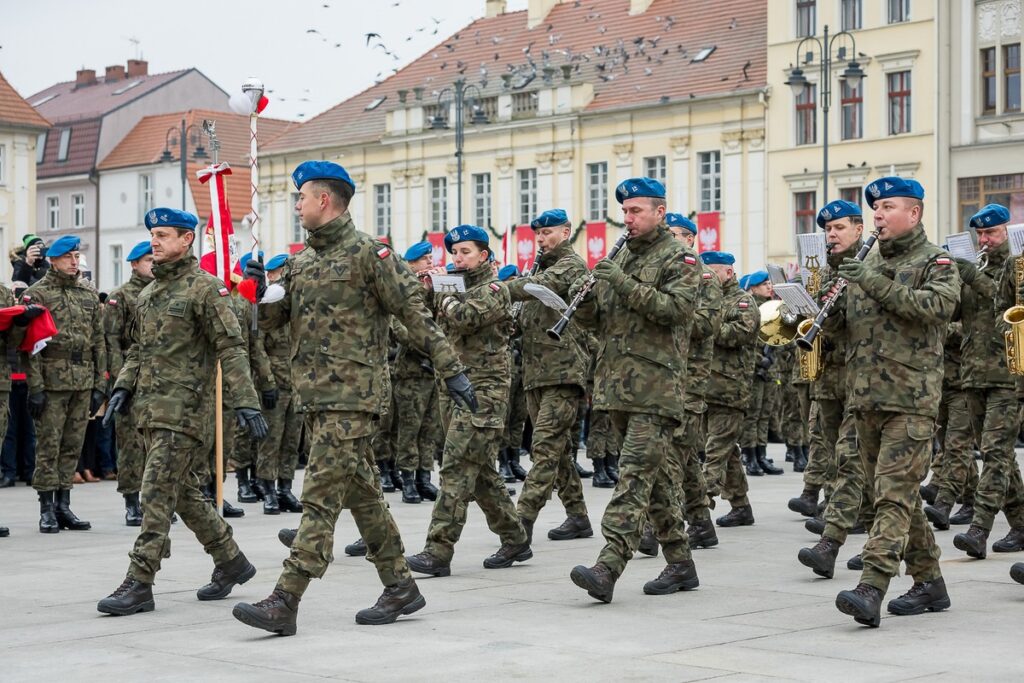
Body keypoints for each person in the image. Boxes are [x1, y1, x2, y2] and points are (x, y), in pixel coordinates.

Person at [234, 161, 475, 635]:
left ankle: (285, 598)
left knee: (319, 498)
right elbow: (274, 323)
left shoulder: (371, 255)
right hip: (315, 397)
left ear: (324, 200)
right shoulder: (301, 262)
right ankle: (400, 586)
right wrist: (257, 293)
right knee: (364, 498)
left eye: (302, 197)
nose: (297, 206)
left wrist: (452, 370)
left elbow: (415, 316)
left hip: (353, 398)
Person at [95, 208, 268, 616]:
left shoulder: (206, 289)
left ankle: (140, 581)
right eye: (152, 235)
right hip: (149, 410)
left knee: (155, 491)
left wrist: (246, 400)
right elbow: (138, 350)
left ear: (187, 239)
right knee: (185, 494)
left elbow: (232, 347)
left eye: (163, 235)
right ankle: (230, 560)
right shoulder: (149, 294)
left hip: (185, 413)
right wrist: (122, 387)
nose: (154, 242)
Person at [568, 177, 701, 603]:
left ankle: (608, 566)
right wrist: (582, 302)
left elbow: (676, 310)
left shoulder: (680, 257)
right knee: (655, 480)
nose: (627, 219)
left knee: (633, 477)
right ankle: (680, 563)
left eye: (636, 211)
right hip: (617, 387)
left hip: (656, 389)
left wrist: (621, 282)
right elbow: (603, 320)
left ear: (660, 212)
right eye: (624, 212)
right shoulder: (622, 254)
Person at [832, 177, 957, 627]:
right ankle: (930, 583)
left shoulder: (936, 261)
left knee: (892, 495)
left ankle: (872, 586)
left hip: (910, 399)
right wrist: (817, 314)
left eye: (887, 207)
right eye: (876, 209)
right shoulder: (863, 263)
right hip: (865, 399)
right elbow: (848, 328)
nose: (878, 216)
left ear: (914, 213)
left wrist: (871, 281)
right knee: (897, 497)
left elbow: (936, 308)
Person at [404, 225, 533, 576]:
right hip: (453, 389)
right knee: (481, 475)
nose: (457, 258)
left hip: (484, 392)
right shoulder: (453, 285)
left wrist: (441, 291)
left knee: (456, 467)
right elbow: (418, 316)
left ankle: (438, 550)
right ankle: (515, 537)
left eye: (465, 252)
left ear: (483, 256)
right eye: (454, 253)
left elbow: (465, 318)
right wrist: (425, 287)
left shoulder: (494, 289)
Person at [796, 200, 875, 578]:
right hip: (833, 375)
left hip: (867, 378)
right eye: (828, 229)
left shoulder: (872, 265)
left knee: (853, 457)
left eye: (839, 228)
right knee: (841, 454)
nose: (832, 235)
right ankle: (874, 535)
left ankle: (837, 536)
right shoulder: (830, 269)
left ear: (859, 229)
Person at [506, 209, 593, 542]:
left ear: (566, 232)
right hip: (536, 375)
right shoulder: (538, 269)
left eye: (547, 233)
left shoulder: (571, 265)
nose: (541, 240)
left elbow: (541, 286)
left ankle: (520, 524)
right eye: (538, 235)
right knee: (559, 451)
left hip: (562, 373)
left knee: (543, 448)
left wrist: (499, 288)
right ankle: (578, 517)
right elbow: (525, 321)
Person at [952, 203, 1024, 557]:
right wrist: (951, 281)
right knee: (999, 455)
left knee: (995, 452)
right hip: (973, 373)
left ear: (1008, 231)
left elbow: (1004, 301)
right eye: (980, 234)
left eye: (991, 233)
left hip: (1008, 374)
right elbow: (954, 315)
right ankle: (1021, 524)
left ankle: (979, 527)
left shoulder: (1017, 265)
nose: (984, 240)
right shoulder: (974, 267)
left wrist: (971, 277)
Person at [22, 235, 106, 533]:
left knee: (72, 444)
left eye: (76, 256)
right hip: (51, 381)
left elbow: (99, 341)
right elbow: (31, 345)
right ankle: (46, 508)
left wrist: (100, 385)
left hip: (82, 380)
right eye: (68, 257)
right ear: (53, 260)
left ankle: (63, 505)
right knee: (49, 445)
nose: (74, 261)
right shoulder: (37, 294)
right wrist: (35, 388)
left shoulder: (87, 294)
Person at [665, 212, 722, 550]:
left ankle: (656, 525)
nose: (668, 239)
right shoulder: (666, 273)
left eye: (674, 234)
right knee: (682, 456)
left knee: (672, 454)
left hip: (690, 378)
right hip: (665, 376)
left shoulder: (704, 278)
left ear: (689, 239)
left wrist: (668, 311)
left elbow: (707, 325)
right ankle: (701, 522)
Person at [701, 251, 760, 528]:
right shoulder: (705, 299)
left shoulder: (743, 302)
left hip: (730, 389)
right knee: (726, 451)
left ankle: (698, 509)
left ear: (728, 272)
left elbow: (738, 334)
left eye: (712, 273)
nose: (706, 278)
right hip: (705, 386)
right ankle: (740, 505)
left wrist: (705, 323)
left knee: (715, 451)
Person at [104, 240, 155, 526]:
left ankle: (153, 501)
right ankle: (132, 502)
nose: (153, 265)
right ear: (134, 264)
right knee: (131, 444)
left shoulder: (161, 291)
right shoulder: (121, 296)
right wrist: (118, 382)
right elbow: (111, 342)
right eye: (148, 260)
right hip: (131, 378)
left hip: (158, 379)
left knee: (156, 444)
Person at [392, 241, 443, 504]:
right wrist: (430, 347)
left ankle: (424, 477)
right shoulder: (402, 289)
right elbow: (401, 330)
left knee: (429, 428)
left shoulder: (431, 288)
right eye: (425, 260)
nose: (430, 263)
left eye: (431, 259)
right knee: (409, 429)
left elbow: (441, 322)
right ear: (411, 264)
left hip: (432, 370)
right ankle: (408, 480)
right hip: (411, 371)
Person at [254, 253, 304, 514]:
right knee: (271, 440)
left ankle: (285, 488)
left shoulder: (297, 305)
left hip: (297, 383)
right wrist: (267, 383)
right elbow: (258, 348)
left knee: (291, 440)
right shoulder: (270, 305)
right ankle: (268, 490)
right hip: (275, 382)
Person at [742, 271, 785, 476]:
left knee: (765, 415)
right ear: (753, 288)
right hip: (754, 369)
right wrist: (760, 360)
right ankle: (749, 456)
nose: (769, 287)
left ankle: (761, 454)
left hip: (771, 369)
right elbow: (746, 341)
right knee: (752, 414)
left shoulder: (774, 309)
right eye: (764, 284)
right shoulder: (751, 308)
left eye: (769, 283)